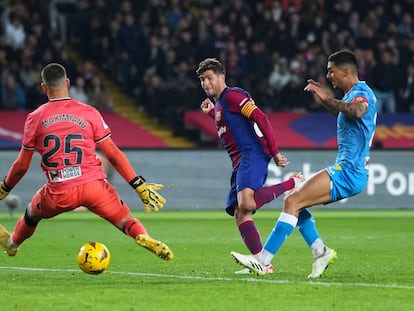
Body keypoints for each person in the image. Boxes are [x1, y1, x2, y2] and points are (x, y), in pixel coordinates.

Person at [0, 63, 174, 262]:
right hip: (94, 186)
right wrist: (138, 184)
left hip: (59, 190)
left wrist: (5, 187)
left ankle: (13, 244)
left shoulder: (35, 118)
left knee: (32, 213)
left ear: (43, 88)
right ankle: (143, 236)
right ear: (67, 83)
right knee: (126, 220)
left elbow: (22, 165)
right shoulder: (89, 112)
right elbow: (113, 154)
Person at [231, 50, 377, 278]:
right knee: (298, 202)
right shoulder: (351, 95)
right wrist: (323, 97)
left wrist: (328, 98)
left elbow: (358, 111)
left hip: (349, 172)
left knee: (292, 199)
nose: (328, 75)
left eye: (331, 70)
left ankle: (263, 260)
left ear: (346, 71)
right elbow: (343, 111)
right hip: (349, 170)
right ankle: (320, 252)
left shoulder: (361, 93)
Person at [197, 58, 317, 274]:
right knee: (240, 213)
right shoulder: (220, 105)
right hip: (239, 162)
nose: (205, 83)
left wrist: (275, 151)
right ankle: (262, 263)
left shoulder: (233, 96)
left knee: (247, 204)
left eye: (209, 78)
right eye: (202, 80)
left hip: (251, 154)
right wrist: (212, 112)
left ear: (221, 77)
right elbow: (232, 125)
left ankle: (293, 182)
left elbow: (260, 118)